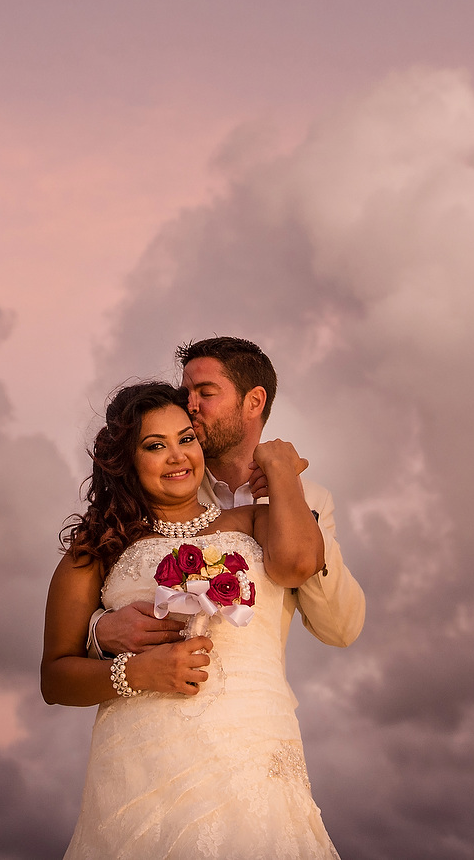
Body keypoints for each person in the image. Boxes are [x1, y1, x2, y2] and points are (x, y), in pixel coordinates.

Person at [42, 382, 341, 859]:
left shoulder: (250, 522)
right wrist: (134, 673)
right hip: (143, 769)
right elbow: (54, 678)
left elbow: (301, 562)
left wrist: (281, 468)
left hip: (252, 752)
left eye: (186, 439)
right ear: (126, 460)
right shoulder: (96, 548)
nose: (177, 457)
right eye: (155, 446)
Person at [90, 337, 366, 662]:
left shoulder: (314, 499)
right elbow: (106, 582)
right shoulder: (158, 485)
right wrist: (99, 631)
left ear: (254, 402)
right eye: (185, 395)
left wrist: (291, 494)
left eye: (205, 393)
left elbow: (340, 630)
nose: (189, 406)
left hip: (254, 697)